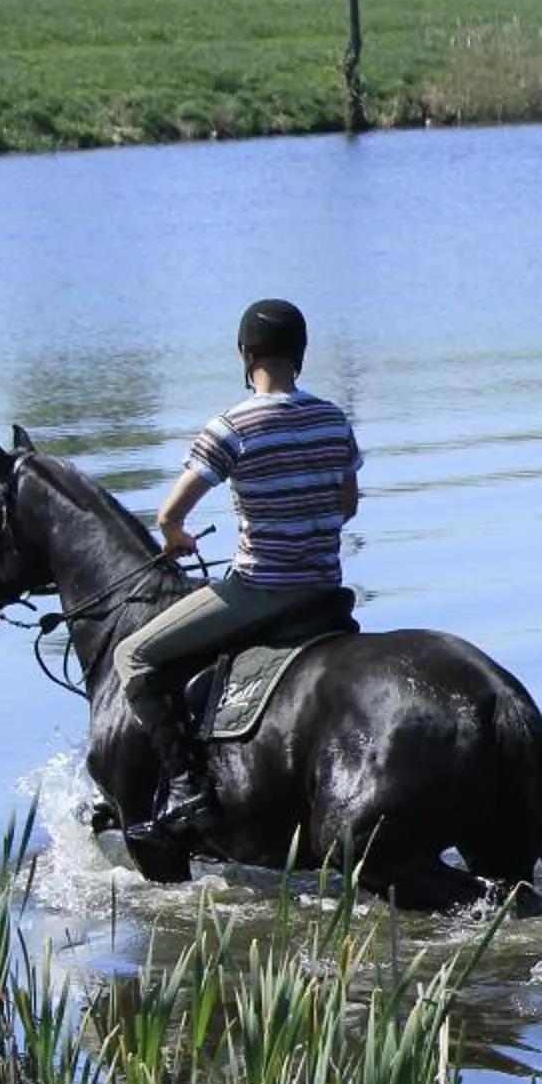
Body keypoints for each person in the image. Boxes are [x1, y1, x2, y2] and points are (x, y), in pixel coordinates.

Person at [110, 299, 362, 839]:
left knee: (131, 654)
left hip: (262, 589)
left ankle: (184, 790)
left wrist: (176, 539)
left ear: (245, 353)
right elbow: (347, 506)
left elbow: (170, 513)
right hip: (326, 590)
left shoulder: (231, 426)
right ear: (301, 354)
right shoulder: (333, 419)